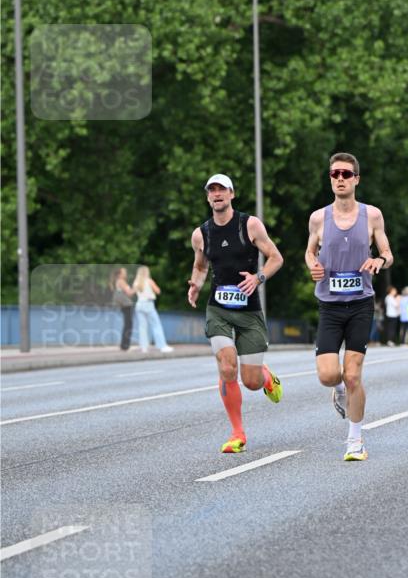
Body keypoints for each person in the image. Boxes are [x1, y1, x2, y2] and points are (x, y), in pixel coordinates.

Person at [305, 152, 393, 462]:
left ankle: (355, 441)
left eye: (346, 173)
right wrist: (313, 265)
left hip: (360, 304)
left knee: (353, 374)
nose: (340, 178)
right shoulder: (319, 218)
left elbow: (387, 252)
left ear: (356, 179)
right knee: (330, 375)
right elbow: (309, 252)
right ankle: (338, 388)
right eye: (335, 174)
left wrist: (379, 260)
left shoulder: (372, 215)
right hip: (329, 305)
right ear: (330, 179)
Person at [188, 173, 284, 453]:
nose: (217, 194)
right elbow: (201, 265)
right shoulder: (201, 233)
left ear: (231, 194)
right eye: (212, 190)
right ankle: (237, 433)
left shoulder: (250, 225)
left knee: (250, 381)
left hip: (249, 311)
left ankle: (265, 377)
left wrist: (258, 278)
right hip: (218, 309)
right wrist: (196, 284)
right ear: (208, 197)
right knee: (227, 366)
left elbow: (276, 258)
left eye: (222, 190)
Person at [132, 266, 174, 354]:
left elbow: (133, 293)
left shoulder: (136, 282)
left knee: (142, 327)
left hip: (139, 305)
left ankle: (144, 348)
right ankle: (162, 346)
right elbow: (158, 291)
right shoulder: (149, 281)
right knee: (156, 325)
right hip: (148, 304)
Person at [110, 266, 135, 351]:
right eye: (124, 272)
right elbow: (129, 293)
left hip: (124, 305)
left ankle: (124, 345)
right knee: (128, 325)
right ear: (120, 274)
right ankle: (125, 346)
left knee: (127, 325)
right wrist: (137, 288)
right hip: (127, 305)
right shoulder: (121, 281)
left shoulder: (118, 281)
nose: (126, 274)